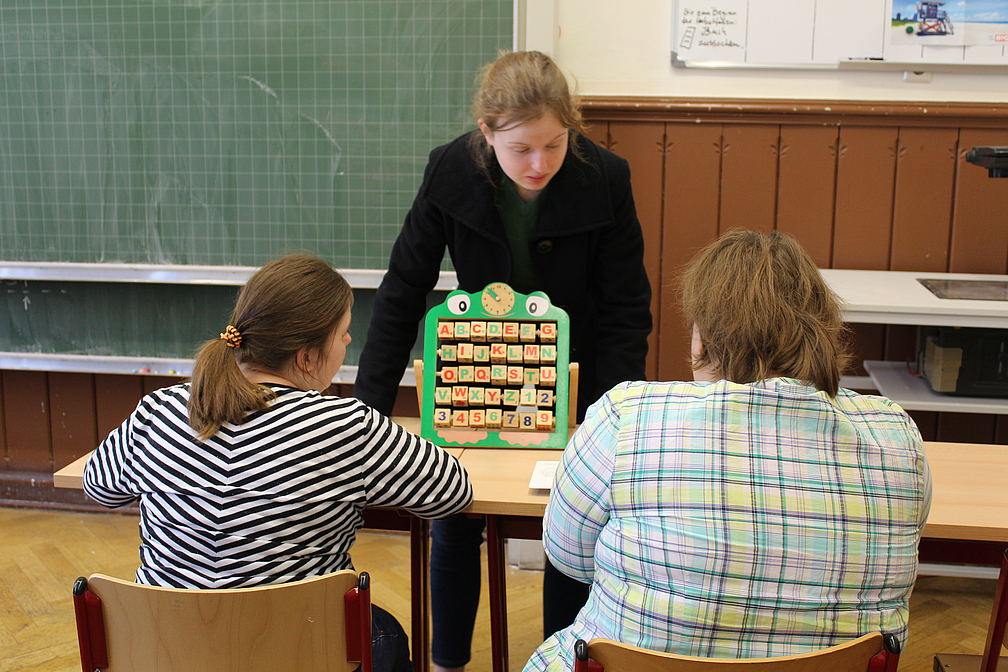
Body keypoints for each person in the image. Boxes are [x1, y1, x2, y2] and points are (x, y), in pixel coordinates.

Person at [353, 51, 652, 672]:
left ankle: (560, 661)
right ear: (486, 134)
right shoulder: (450, 169)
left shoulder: (606, 175)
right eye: (521, 149)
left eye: (554, 144)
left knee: (573, 525)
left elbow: (626, 310)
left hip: (576, 382)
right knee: (455, 514)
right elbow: (403, 291)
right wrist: (364, 417)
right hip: (476, 376)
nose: (539, 163)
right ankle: (448, 662)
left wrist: (609, 422)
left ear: (571, 128)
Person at [523, 229, 932, 672]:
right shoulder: (896, 434)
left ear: (701, 339)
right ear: (823, 330)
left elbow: (568, 556)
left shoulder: (625, 415)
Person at [83, 253, 473, 672]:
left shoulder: (159, 410)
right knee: (386, 632)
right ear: (306, 357)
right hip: (304, 652)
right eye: (343, 332)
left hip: (165, 652)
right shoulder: (345, 425)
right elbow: (453, 492)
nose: (348, 341)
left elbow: (99, 486)